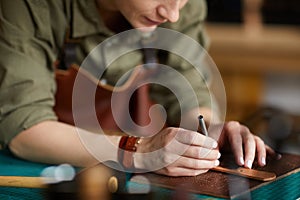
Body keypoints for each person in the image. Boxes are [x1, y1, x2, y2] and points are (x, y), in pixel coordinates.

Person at [0, 0, 277, 177]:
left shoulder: (181, 6)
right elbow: (23, 128)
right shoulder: (31, 6)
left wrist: (207, 132)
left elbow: (188, 88)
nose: (172, 13)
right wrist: (138, 151)